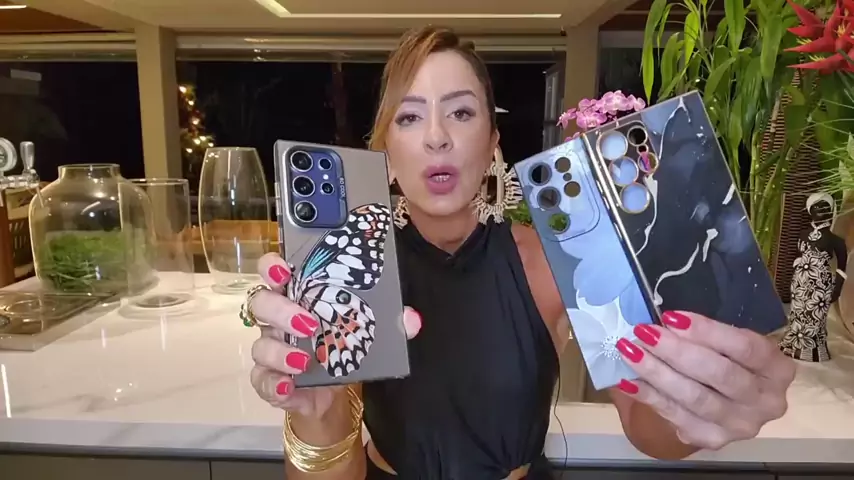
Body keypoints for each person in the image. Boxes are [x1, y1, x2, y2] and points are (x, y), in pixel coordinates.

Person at [245, 26, 796, 479]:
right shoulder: (355, 279)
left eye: (461, 113)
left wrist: (697, 405)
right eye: (409, 117)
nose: (436, 136)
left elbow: (645, 425)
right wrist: (317, 416)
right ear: (386, 154)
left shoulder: (556, 261)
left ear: (493, 144)